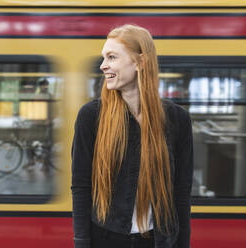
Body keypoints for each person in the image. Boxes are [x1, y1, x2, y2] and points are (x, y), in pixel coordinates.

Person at [71, 24, 193, 248]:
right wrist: (81, 243)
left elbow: (181, 193)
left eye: (112, 57)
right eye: (103, 57)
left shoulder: (178, 120)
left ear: (141, 62)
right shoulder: (90, 116)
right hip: (105, 240)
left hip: (158, 240)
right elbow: (81, 187)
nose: (103, 65)